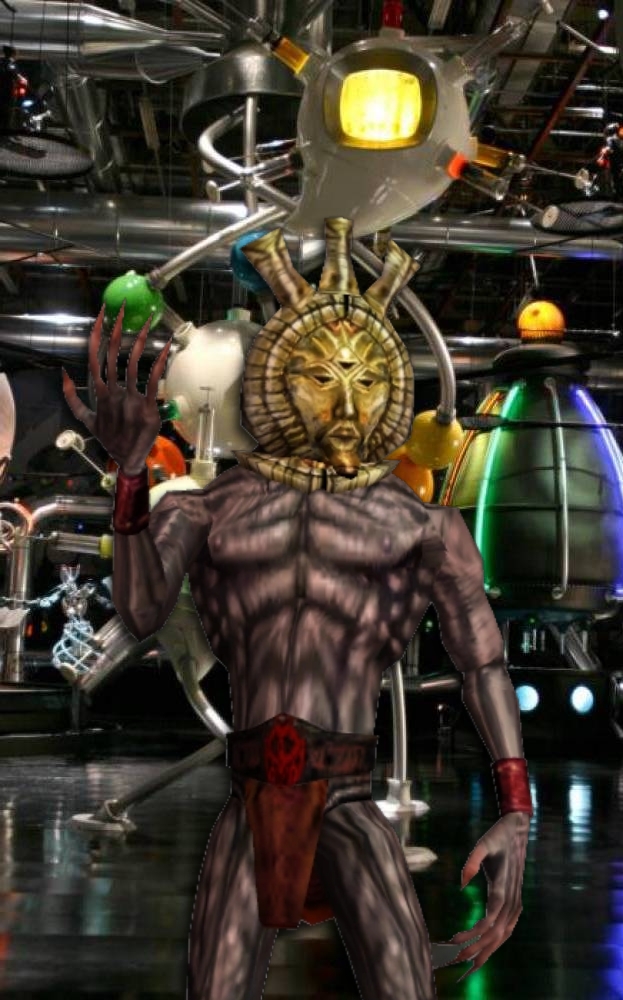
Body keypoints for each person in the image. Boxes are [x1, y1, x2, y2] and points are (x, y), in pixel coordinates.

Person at [63, 219, 532, 1000]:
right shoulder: (211, 508)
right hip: (250, 801)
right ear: (280, 376)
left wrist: (517, 806)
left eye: (367, 379)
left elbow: (484, 661)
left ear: (391, 385)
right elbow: (142, 611)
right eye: (322, 375)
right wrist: (132, 474)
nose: (347, 400)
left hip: (349, 799)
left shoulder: (421, 526)